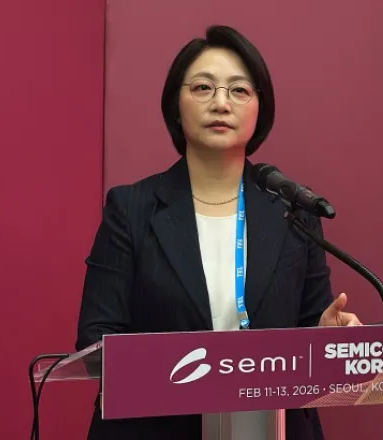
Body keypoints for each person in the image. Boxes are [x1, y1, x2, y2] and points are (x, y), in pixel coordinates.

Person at [75, 24, 362, 440]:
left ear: (260, 109)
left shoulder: (293, 212)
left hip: (270, 427)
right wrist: (199, 374)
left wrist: (327, 338)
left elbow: (309, 326)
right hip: (158, 430)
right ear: (176, 106)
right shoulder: (131, 209)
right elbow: (96, 340)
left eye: (239, 90)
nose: (221, 103)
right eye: (203, 88)